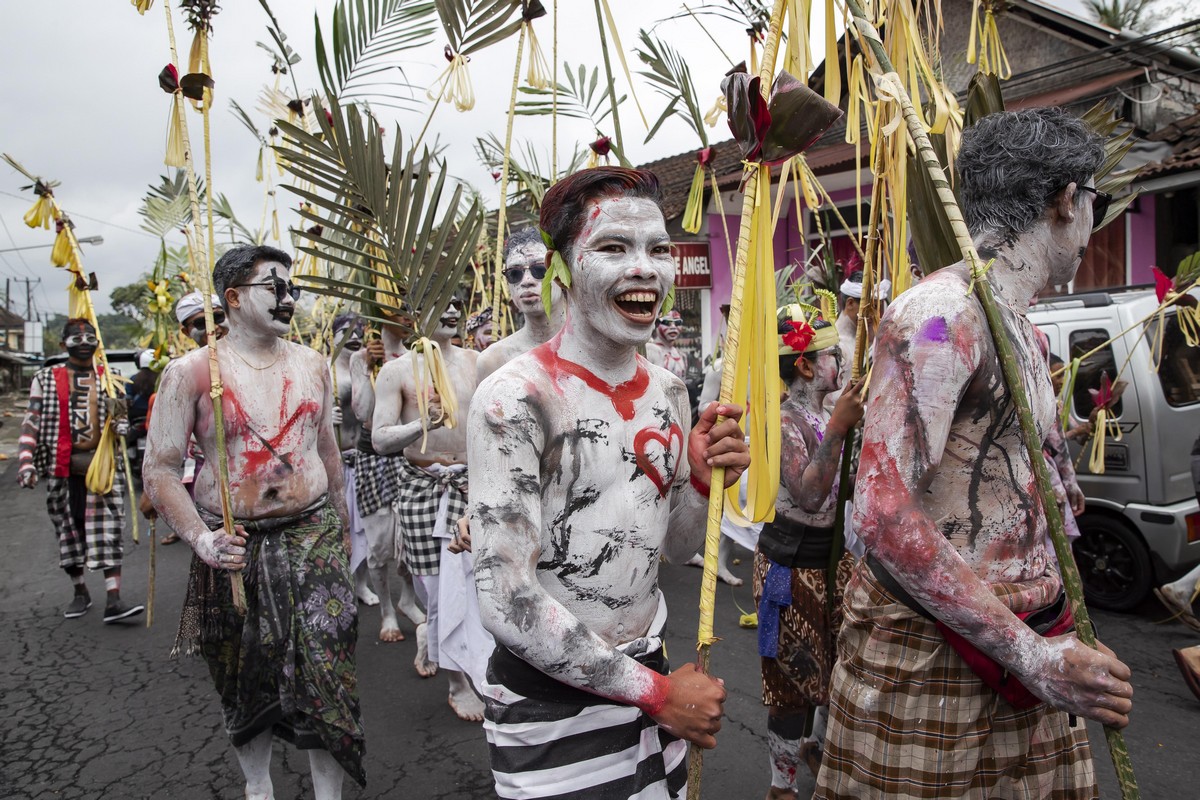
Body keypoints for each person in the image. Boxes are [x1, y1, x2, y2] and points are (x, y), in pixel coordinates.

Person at [815, 107, 1133, 799]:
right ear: (1062, 200)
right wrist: (1032, 657)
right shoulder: (940, 315)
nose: (1091, 227)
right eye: (1093, 204)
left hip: (1033, 635)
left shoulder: (1022, 327)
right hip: (938, 655)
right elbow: (880, 514)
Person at [469, 167, 750, 799]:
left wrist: (702, 487)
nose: (645, 268)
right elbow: (505, 597)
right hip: (554, 703)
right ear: (562, 270)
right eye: (614, 248)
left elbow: (673, 551)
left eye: (657, 249)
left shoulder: (671, 393)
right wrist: (656, 694)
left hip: (653, 680)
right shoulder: (515, 398)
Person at [143, 245, 364, 798]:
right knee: (242, 674)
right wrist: (200, 539)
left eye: (292, 289)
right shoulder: (191, 372)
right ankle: (258, 786)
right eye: (275, 288)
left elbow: (328, 453)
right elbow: (161, 470)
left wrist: (344, 526)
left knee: (327, 667)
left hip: (313, 538)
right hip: (233, 545)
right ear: (233, 298)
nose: (289, 299)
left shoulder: (311, 364)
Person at [755, 309, 864, 797]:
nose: (839, 366)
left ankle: (817, 747)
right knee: (793, 684)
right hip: (790, 565)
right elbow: (810, 496)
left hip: (834, 560)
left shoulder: (827, 411)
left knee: (842, 669)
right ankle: (781, 784)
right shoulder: (783, 420)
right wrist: (839, 429)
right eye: (832, 357)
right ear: (804, 367)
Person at [372, 297, 488, 721]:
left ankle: (453, 651)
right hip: (423, 488)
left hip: (475, 483)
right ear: (415, 313)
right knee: (438, 592)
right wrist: (426, 422)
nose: (452, 309)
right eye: (442, 302)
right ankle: (457, 683)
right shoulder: (397, 371)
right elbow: (380, 440)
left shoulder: (480, 360)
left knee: (479, 586)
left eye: (458, 300)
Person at [18, 318, 144, 623]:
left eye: (90, 336)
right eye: (77, 337)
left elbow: (120, 419)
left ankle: (114, 599)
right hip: (62, 470)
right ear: (63, 345)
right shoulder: (46, 378)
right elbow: (32, 420)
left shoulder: (109, 378)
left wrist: (122, 425)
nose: (85, 340)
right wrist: (25, 461)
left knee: (109, 531)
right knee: (68, 533)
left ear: (98, 342)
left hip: (101, 470)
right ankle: (80, 592)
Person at [349, 309, 425, 643]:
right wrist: (366, 367)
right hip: (374, 460)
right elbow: (364, 413)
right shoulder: (361, 357)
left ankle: (408, 598)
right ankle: (387, 611)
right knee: (379, 545)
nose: (408, 319)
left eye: (411, 313)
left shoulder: (417, 357)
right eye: (400, 313)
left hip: (409, 460)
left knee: (411, 542)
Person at [156, 291, 229, 545]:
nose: (213, 327)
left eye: (218, 317)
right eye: (201, 323)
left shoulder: (260, 360)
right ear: (186, 331)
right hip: (212, 486)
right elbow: (165, 452)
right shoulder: (182, 373)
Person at [329, 313, 378, 607]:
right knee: (338, 527)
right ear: (331, 336)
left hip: (361, 460)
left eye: (359, 330)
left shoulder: (365, 370)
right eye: (345, 331)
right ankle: (339, 582)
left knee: (363, 528)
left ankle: (361, 583)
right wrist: (324, 419)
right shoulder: (324, 371)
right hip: (333, 463)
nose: (353, 335)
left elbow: (369, 413)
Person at [476, 226, 566, 382]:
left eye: (539, 270)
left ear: (560, 273)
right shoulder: (493, 361)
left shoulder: (598, 347)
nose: (526, 281)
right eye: (515, 273)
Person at [646, 308, 688, 380]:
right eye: (667, 323)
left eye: (677, 323)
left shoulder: (681, 355)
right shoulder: (650, 350)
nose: (673, 327)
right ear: (656, 324)